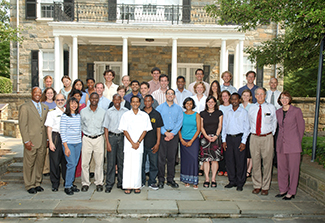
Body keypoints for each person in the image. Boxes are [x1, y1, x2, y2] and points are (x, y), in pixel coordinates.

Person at [119, 96, 152, 194]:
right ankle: (127, 186)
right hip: (129, 144)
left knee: (137, 165)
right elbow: (124, 130)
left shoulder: (144, 115)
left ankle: (137, 185)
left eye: (137, 102)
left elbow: (145, 130)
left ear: (139, 103)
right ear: (130, 103)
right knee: (128, 165)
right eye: (133, 102)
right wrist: (132, 143)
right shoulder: (126, 115)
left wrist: (138, 142)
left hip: (139, 144)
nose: (135, 103)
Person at [18, 87, 49, 194]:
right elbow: (23, 125)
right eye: (35, 92)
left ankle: (37, 182)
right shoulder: (25, 107)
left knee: (39, 163)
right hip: (31, 140)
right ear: (32, 93)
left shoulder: (45, 107)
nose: (37, 94)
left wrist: (47, 139)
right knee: (29, 163)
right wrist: (26, 140)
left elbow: (46, 125)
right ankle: (29, 184)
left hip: (42, 140)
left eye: (39, 93)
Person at [275, 91, 305, 200]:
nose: (284, 100)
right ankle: (283, 189)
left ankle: (291, 191)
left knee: (293, 169)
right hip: (280, 144)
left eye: (286, 98)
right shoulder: (278, 112)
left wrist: (297, 142)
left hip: (293, 145)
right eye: (282, 98)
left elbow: (301, 128)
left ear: (290, 99)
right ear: (279, 99)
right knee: (282, 168)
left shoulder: (296, 111)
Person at [248, 87, 277, 196]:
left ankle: (265, 186)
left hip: (267, 137)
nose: (260, 96)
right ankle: (257, 185)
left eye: (262, 94)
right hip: (254, 137)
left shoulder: (271, 107)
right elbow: (249, 123)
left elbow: (274, 123)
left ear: (265, 95)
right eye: (258, 94)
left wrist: (269, 135)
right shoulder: (251, 108)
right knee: (255, 162)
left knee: (267, 162)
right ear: (255, 96)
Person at [222, 93, 250, 191]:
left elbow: (247, 128)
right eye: (232, 99)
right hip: (229, 138)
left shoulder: (243, 112)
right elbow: (224, 126)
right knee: (229, 161)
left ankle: (240, 182)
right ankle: (232, 181)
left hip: (239, 138)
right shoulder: (227, 112)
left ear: (239, 100)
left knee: (240, 161)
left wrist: (243, 142)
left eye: (236, 99)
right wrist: (224, 140)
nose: (234, 101)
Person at [156, 89, 183, 189]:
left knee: (172, 158)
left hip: (174, 135)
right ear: (165, 95)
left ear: (174, 96)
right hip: (163, 135)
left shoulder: (179, 109)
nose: (170, 95)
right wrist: (165, 132)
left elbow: (179, 122)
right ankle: (161, 179)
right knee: (161, 159)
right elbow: (158, 122)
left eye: (172, 94)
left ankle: (170, 179)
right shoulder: (160, 108)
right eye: (168, 94)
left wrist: (172, 133)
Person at [80, 92, 106, 192]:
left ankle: (99, 182)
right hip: (87, 138)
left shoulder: (103, 112)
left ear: (98, 99)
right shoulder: (83, 111)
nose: (94, 100)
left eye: (96, 98)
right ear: (89, 99)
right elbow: (81, 125)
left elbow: (104, 126)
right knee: (85, 163)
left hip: (99, 138)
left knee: (99, 162)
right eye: (92, 98)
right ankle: (85, 183)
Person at [103, 94, 129, 193]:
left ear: (121, 100)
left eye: (119, 99)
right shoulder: (109, 112)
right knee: (111, 162)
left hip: (122, 137)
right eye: (115, 99)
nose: (117, 101)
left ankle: (121, 182)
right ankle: (109, 183)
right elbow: (105, 127)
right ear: (113, 100)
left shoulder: (126, 111)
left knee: (122, 161)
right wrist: (107, 143)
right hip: (112, 137)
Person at [44, 93, 67, 192]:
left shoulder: (68, 112)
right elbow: (49, 128)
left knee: (66, 161)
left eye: (62, 100)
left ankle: (67, 182)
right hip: (56, 137)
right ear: (55, 101)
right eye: (58, 100)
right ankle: (55, 183)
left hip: (66, 138)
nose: (60, 101)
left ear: (65, 101)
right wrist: (50, 142)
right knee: (54, 162)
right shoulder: (51, 112)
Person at [60, 97, 82, 195]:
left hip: (78, 143)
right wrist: (66, 147)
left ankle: (71, 183)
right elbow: (62, 132)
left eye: (76, 103)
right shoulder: (64, 116)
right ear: (68, 105)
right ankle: (67, 186)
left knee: (74, 164)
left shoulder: (78, 116)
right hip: (69, 144)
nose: (74, 105)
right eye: (72, 103)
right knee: (71, 164)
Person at [200, 96, 223, 188]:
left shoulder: (219, 113)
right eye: (209, 102)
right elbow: (201, 127)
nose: (210, 104)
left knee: (214, 160)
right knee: (206, 160)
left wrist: (216, 136)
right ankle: (207, 179)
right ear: (206, 103)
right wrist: (206, 136)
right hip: (205, 138)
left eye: (212, 102)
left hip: (216, 138)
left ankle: (213, 179)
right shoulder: (202, 113)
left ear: (215, 103)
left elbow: (220, 126)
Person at [141, 95, 164, 190]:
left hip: (153, 143)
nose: (147, 103)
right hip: (141, 144)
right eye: (145, 101)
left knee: (153, 164)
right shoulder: (140, 113)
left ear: (152, 102)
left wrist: (158, 143)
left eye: (149, 101)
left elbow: (159, 130)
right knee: (141, 164)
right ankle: (141, 182)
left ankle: (152, 182)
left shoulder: (156, 114)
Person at [179, 97, 201, 189]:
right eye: (187, 103)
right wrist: (181, 140)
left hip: (194, 140)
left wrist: (191, 140)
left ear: (193, 105)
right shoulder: (181, 115)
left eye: (190, 104)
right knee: (185, 160)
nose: (189, 105)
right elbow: (178, 128)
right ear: (184, 105)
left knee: (194, 159)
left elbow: (199, 129)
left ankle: (194, 181)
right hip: (183, 140)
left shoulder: (196, 115)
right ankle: (186, 180)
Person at [40, 87, 57, 177]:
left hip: (55, 130)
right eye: (48, 93)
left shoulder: (56, 104)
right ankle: (46, 169)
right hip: (45, 128)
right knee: (46, 150)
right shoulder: (42, 104)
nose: (50, 95)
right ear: (45, 94)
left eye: (51, 93)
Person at [239, 89, 253, 177]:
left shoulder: (252, 106)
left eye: (247, 95)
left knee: (249, 152)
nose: (245, 97)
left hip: (250, 131)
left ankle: (248, 170)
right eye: (244, 95)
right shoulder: (239, 106)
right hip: (240, 131)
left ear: (250, 97)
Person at [218, 90, 232, 177]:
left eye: (226, 95)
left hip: (230, 131)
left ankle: (228, 169)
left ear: (229, 96)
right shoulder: (219, 107)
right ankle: (221, 168)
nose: (225, 98)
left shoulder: (232, 106)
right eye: (223, 96)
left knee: (229, 151)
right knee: (221, 151)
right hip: (221, 131)